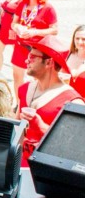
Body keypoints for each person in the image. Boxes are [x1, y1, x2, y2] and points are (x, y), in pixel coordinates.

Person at [17, 36, 82, 164]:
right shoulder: (24, 89)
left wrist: (40, 126)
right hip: (17, 167)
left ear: (49, 63)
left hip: (43, 173)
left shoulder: (72, 102)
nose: (26, 60)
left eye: (32, 57)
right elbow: (16, 127)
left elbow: (75, 147)